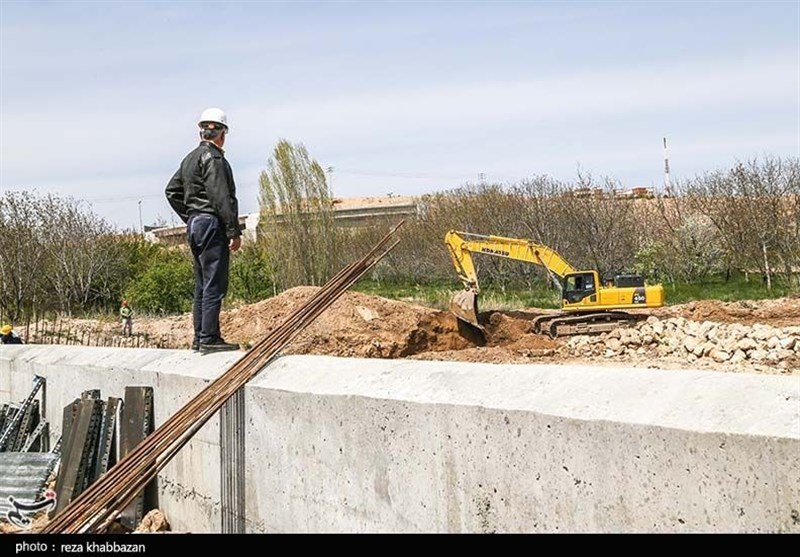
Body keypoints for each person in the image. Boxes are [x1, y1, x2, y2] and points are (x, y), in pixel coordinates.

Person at [165, 107, 242, 353]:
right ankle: (209, 337)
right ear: (222, 133)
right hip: (210, 223)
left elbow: (172, 191)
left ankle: (199, 338)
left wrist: (191, 215)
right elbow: (221, 197)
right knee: (214, 282)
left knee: (201, 284)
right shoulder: (215, 159)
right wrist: (233, 230)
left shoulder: (189, 159)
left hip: (195, 225)